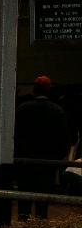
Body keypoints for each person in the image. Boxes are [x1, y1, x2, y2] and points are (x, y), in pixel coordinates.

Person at [14, 74, 71, 219]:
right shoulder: (57, 111)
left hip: (26, 162)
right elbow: (64, 139)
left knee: (24, 199)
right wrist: (56, 160)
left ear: (34, 90)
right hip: (47, 163)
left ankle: (23, 222)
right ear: (49, 90)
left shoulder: (22, 109)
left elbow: (15, 135)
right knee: (42, 200)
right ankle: (40, 221)